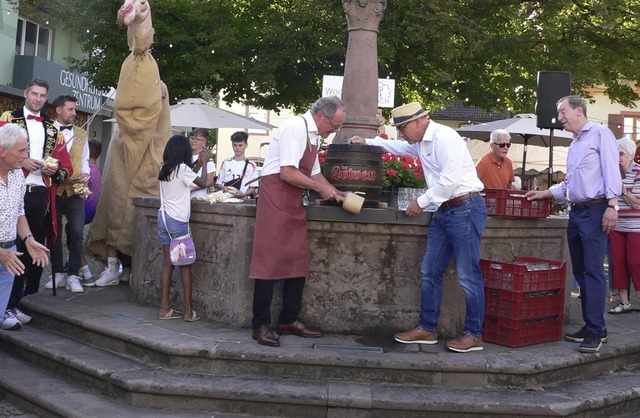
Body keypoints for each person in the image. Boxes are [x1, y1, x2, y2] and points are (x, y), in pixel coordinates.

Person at [350, 102, 488, 353]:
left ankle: (474, 334)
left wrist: (420, 202)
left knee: (468, 276)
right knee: (429, 271)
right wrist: (369, 143)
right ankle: (427, 328)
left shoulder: (446, 137)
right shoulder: (424, 141)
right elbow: (402, 147)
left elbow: (449, 180)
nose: (401, 134)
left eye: (402, 128)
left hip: (464, 208)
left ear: (418, 121)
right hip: (446, 210)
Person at [525, 95, 621, 353]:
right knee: (580, 271)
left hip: (595, 209)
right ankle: (595, 327)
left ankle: (594, 331)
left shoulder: (601, 134)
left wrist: (613, 206)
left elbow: (612, 169)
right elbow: (570, 184)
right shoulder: (576, 143)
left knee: (592, 271)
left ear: (579, 111)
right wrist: (545, 194)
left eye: (563, 111)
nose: (560, 117)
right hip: (576, 213)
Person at [249, 95, 346, 347]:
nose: (334, 132)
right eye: (334, 126)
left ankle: (288, 319)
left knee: (297, 258)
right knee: (268, 262)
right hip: (274, 197)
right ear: (320, 116)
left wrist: (337, 193)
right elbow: (288, 172)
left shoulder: (313, 135)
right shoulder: (295, 127)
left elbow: (313, 172)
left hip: (292, 200)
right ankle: (260, 323)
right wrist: (319, 189)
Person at [1, 78, 72, 326]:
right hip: (10, 188)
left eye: (43, 95)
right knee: (12, 247)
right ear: (25, 93)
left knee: (34, 250)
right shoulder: (8, 119)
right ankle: (6, 306)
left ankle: (21, 300)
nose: (38, 99)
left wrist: (53, 171)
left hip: (41, 194)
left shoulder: (53, 129)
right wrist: (24, 161)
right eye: (34, 94)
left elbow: (66, 171)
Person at [0, 124, 50, 330]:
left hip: (10, 255)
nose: (26, 155)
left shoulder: (18, 175)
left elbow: (19, 212)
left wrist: (29, 240)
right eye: (21, 150)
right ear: (2, 151)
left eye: (26, 150)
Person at [157, 135, 211, 322]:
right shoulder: (181, 169)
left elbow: (189, 176)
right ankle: (188, 312)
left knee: (167, 264)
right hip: (178, 221)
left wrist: (199, 163)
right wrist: (204, 163)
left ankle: (164, 309)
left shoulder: (165, 168)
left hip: (163, 218)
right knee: (185, 265)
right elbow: (203, 183)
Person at [44, 95, 90, 293]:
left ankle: (73, 275)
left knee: (78, 233)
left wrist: (86, 173)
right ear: (59, 110)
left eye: (74, 109)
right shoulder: (47, 131)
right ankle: (57, 274)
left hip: (75, 192)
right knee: (54, 233)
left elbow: (85, 159)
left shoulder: (81, 133)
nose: (74, 113)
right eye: (70, 109)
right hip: (53, 190)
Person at [607, 137, 640, 314]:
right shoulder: (612, 172)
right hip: (616, 225)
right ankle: (624, 302)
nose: (617, 157)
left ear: (631, 155)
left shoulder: (638, 172)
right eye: (615, 154)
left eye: (621, 154)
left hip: (636, 226)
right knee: (616, 263)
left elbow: (637, 204)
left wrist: (623, 190)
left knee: (635, 262)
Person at [76, 138, 103, 286]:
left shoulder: (87, 171)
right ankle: (71, 266)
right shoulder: (98, 170)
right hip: (91, 210)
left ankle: (86, 273)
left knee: (74, 241)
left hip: (83, 209)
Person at [215, 131, 258, 199]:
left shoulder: (251, 165)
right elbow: (218, 184)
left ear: (246, 145)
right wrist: (223, 188)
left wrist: (243, 194)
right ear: (232, 145)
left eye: (240, 145)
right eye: (235, 145)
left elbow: (253, 187)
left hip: (243, 201)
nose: (237, 148)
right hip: (227, 200)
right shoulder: (226, 162)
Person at [188, 128, 215, 198]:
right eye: (192, 138)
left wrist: (193, 188)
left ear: (204, 142)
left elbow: (210, 181)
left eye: (197, 139)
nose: (194, 141)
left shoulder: (208, 159)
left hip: (200, 195)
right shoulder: (186, 156)